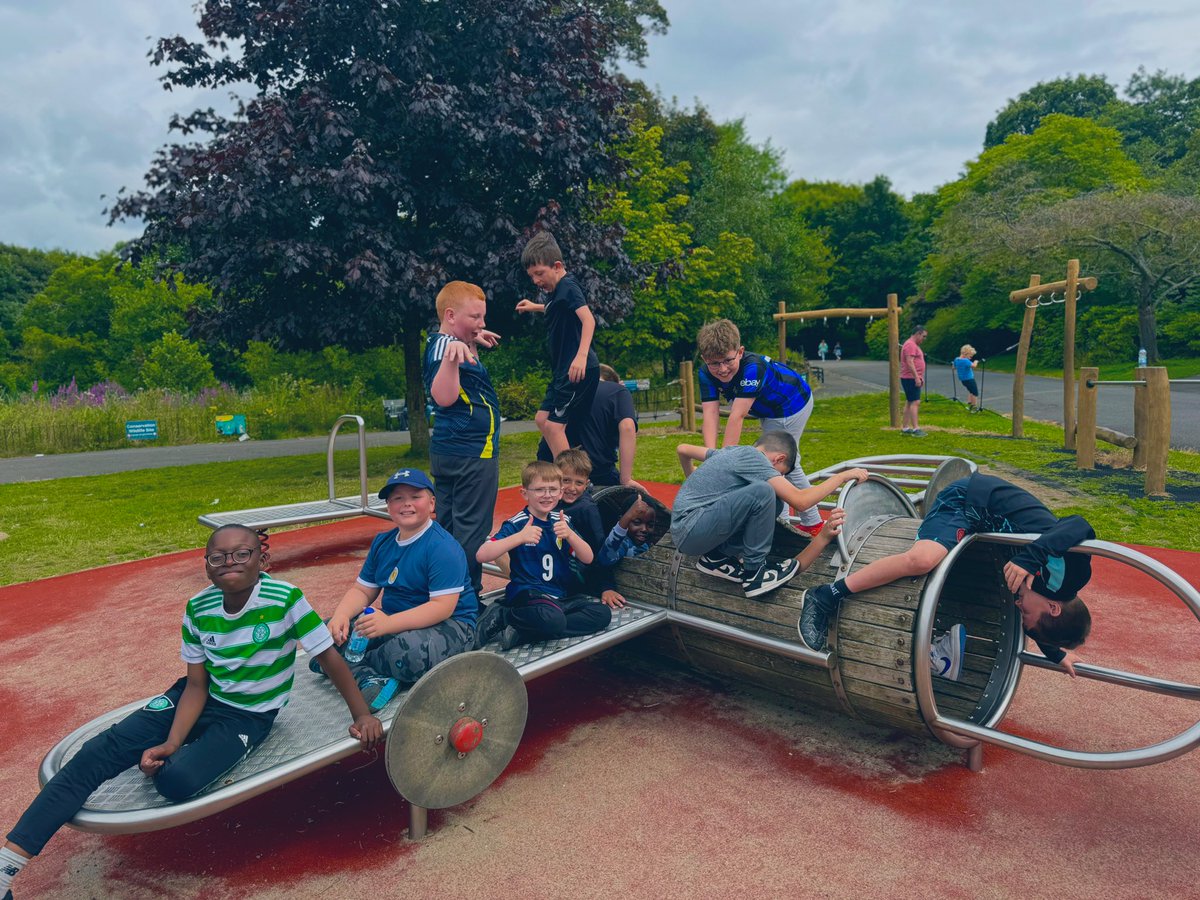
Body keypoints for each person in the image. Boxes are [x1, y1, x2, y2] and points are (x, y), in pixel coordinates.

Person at [0, 525, 383, 900]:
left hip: (247, 716)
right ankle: (6, 868)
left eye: (241, 554)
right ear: (206, 565)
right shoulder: (199, 607)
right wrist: (171, 740)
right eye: (217, 557)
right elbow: (197, 685)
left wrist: (361, 714)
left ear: (262, 560)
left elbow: (328, 657)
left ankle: (185, 753)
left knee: (175, 782)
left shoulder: (285, 599)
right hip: (196, 698)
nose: (228, 562)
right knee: (97, 752)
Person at [798, 473, 1094, 678]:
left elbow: (1037, 623)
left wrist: (1056, 654)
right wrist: (1031, 557)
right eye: (1027, 613)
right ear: (1053, 607)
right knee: (923, 559)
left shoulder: (1042, 596)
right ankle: (826, 595)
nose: (1020, 607)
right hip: (970, 501)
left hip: (983, 524)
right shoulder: (1073, 575)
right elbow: (1078, 524)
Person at [320, 469, 478, 710]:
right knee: (324, 633)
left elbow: (442, 608)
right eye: (397, 498)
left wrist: (386, 625)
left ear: (432, 502)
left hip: (450, 625)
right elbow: (362, 591)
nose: (406, 504)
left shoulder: (442, 547)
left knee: (406, 653)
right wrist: (342, 615)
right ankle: (368, 674)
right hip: (394, 621)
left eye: (416, 496)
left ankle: (345, 667)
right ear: (388, 506)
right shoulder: (383, 542)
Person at [673, 431, 869, 599]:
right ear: (779, 459)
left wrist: (693, 478)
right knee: (764, 491)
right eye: (778, 473)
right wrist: (842, 476)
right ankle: (755, 575)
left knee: (773, 500)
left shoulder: (730, 451)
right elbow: (801, 501)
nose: (777, 477)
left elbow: (683, 449)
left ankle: (716, 558)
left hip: (689, 527)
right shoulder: (755, 458)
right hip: (693, 529)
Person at [694, 319, 824, 537]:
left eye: (727, 360)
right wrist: (712, 457)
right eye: (714, 363)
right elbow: (710, 412)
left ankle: (810, 522)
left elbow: (737, 416)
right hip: (768, 410)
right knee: (771, 463)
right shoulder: (705, 373)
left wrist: (723, 464)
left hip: (791, 404)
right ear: (704, 359)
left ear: (740, 351)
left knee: (781, 461)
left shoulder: (753, 368)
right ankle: (786, 520)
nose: (722, 369)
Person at [476, 461, 611, 649]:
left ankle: (523, 632)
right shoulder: (518, 523)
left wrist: (571, 535)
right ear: (525, 493)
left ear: (560, 493)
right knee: (553, 619)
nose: (547, 495)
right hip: (528, 594)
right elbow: (482, 554)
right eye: (539, 490)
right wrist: (519, 538)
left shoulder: (562, 521)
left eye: (553, 490)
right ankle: (504, 615)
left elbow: (588, 558)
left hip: (559, 597)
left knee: (602, 614)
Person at [423, 280, 502, 597]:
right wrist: (455, 356)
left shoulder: (444, 342)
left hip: (452, 450)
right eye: (475, 318)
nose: (482, 324)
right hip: (472, 453)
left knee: (448, 528)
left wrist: (470, 340)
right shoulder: (447, 349)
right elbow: (442, 397)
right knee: (470, 531)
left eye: (483, 318)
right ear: (451, 315)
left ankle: (443, 592)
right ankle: (465, 600)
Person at [517, 231, 600, 459]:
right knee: (541, 420)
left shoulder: (568, 286)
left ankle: (570, 480)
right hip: (562, 371)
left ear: (557, 265)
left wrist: (581, 356)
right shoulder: (555, 292)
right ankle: (560, 468)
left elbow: (588, 319)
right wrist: (535, 306)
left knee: (554, 427)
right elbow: (559, 309)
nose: (536, 281)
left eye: (539, 274)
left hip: (577, 370)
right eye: (532, 276)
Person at [535, 363, 639, 488]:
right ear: (613, 381)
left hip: (550, 462)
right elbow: (627, 427)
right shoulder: (617, 391)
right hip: (595, 466)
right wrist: (626, 479)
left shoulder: (563, 386)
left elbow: (542, 420)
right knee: (633, 502)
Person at [900, 325, 928, 436]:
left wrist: (919, 376)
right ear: (918, 333)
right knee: (915, 402)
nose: (924, 339)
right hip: (910, 378)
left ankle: (905, 428)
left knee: (909, 402)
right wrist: (916, 377)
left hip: (911, 377)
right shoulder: (910, 345)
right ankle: (916, 429)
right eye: (924, 336)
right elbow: (910, 362)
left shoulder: (912, 344)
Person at [954, 344, 980, 411]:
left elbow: (953, 367)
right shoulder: (965, 360)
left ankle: (970, 403)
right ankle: (974, 407)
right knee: (975, 392)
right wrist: (976, 362)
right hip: (969, 379)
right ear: (965, 353)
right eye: (970, 356)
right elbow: (974, 366)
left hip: (963, 380)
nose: (970, 358)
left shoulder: (956, 359)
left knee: (970, 390)